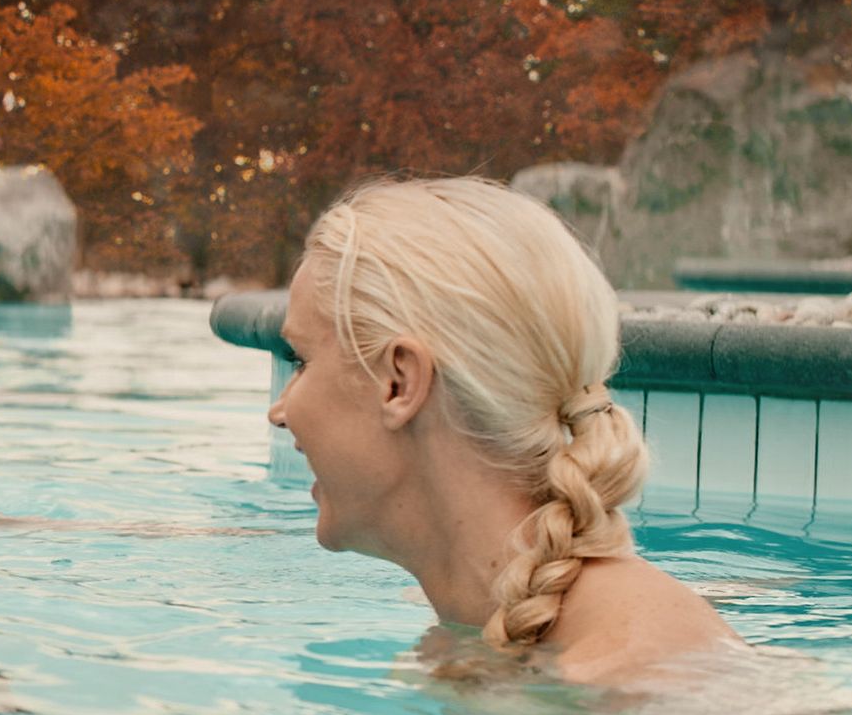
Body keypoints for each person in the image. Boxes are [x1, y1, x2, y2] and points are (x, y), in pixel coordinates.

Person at [267, 177, 735, 684]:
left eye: (301, 360)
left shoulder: (639, 674)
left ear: (399, 382)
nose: (279, 411)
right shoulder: (481, 632)